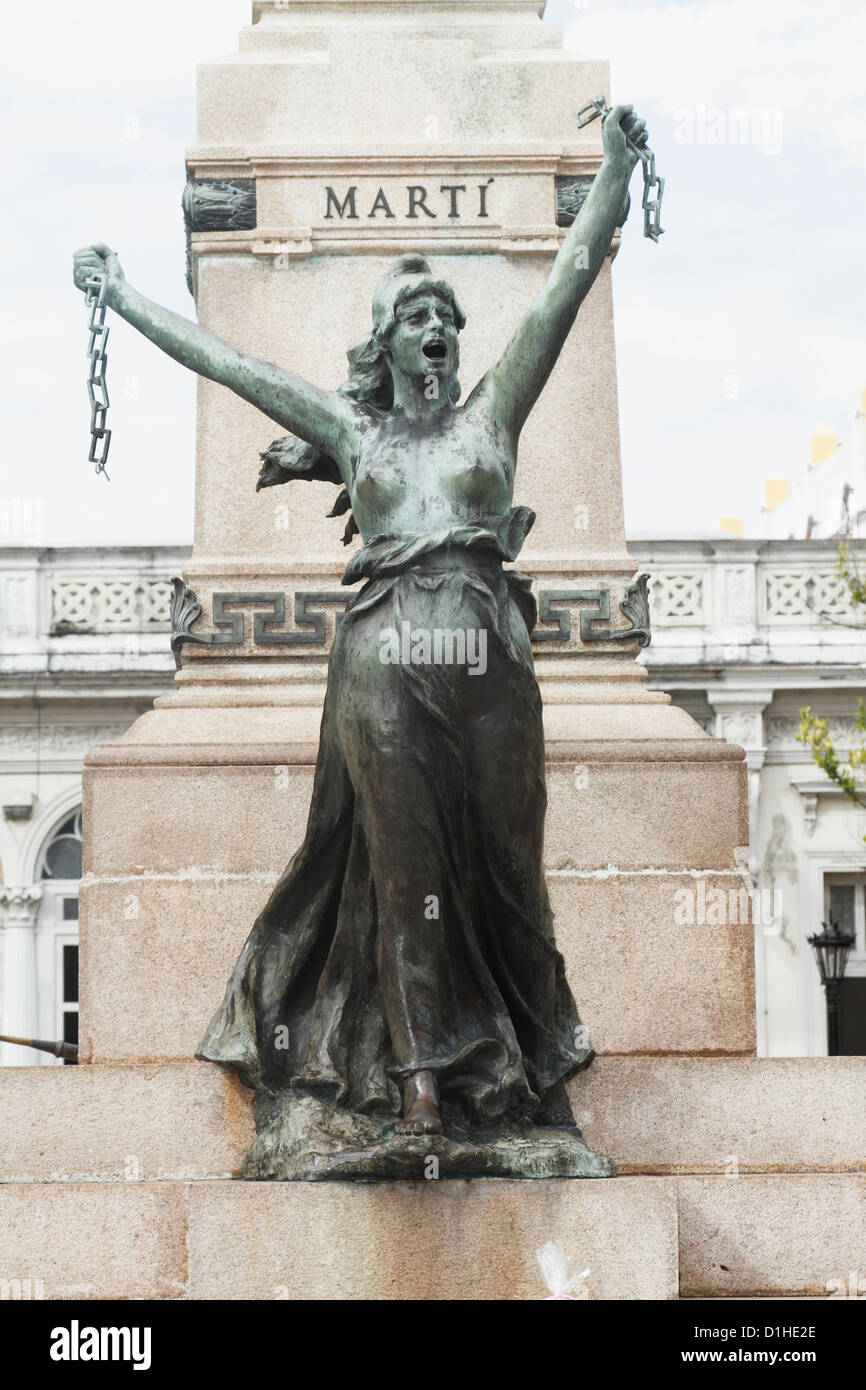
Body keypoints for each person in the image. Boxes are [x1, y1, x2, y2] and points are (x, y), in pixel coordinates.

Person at [74, 105, 648, 1143]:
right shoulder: (354, 429)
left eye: (444, 315)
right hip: (386, 657)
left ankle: (533, 1065)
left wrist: (612, 170)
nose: (435, 326)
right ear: (383, 343)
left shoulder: (490, 412)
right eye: (413, 315)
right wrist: (122, 299)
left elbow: (563, 284)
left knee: (511, 873)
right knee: (407, 873)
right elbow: (229, 366)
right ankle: (422, 1089)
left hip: (488, 657)